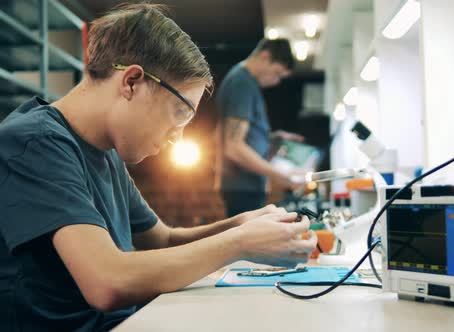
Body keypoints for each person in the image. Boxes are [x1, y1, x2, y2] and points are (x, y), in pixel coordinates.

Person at [0, 4, 316, 331]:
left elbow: (162, 240)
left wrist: (240, 226)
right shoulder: (34, 144)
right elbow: (108, 281)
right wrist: (239, 244)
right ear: (132, 81)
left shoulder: (104, 149)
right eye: (179, 114)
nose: (176, 139)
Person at [216, 38, 305, 218]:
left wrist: (273, 137)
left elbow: (242, 135)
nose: (276, 81)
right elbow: (234, 146)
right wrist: (281, 174)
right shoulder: (241, 83)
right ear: (265, 57)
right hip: (242, 187)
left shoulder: (245, 82)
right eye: (277, 73)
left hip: (246, 185)